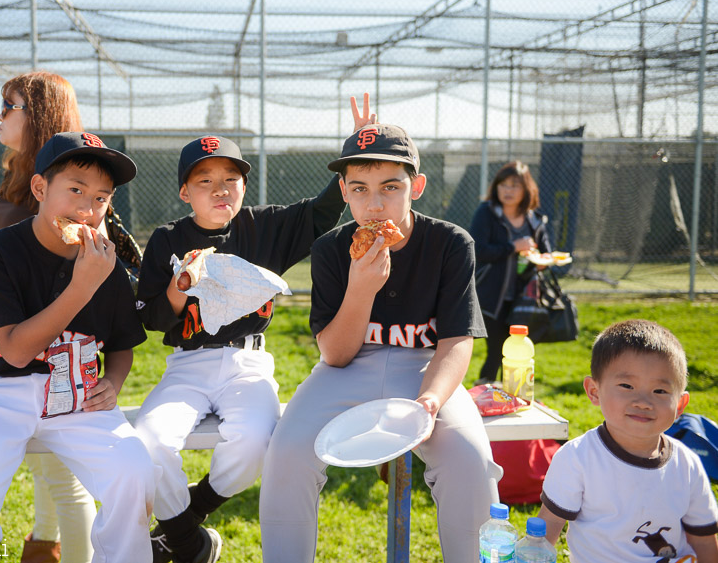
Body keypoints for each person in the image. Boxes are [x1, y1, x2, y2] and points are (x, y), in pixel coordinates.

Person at [133, 95, 366, 563]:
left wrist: (356, 153)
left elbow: (323, 211)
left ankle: (184, 525)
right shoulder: (167, 239)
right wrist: (182, 285)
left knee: (258, 443)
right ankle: (190, 543)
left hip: (247, 362)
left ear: (243, 185)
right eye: (206, 181)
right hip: (188, 365)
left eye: (231, 179)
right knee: (147, 443)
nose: (221, 190)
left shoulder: (263, 226)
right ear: (185, 192)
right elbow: (152, 319)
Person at [259, 120, 503, 563]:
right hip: (347, 368)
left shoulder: (450, 243)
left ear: (418, 185)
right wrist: (361, 288)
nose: (375, 205)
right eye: (360, 189)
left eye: (390, 187)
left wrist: (430, 403)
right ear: (344, 190)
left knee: (469, 460)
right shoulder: (331, 248)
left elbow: (456, 341)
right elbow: (335, 354)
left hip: (426, 368)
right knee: (288, 453)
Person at [0, 132, 154, 563]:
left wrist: (113, 380)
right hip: (0, 391)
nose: (87, 210)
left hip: (78, 395)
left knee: (136, 474)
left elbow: (123, 342)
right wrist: (82, 284)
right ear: (39, 188)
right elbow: (14, 352)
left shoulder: (104, 259)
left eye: (101, 199)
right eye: (75, 190)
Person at [0, 70, 97, 563]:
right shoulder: (21, 179)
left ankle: (62, 550)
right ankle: (44, 543)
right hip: (16, 351)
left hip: (52, 357)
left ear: (38, 114)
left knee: (63, 476)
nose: (0, 114)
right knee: (48, 467)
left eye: (9, 105)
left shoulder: (60, 190)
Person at [539, 319, 718, 562]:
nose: (643, 401)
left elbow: (704, 539)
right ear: (594, 391)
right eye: (627, 386)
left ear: (680, 405)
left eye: (660, 391)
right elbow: (547, 527)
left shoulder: (687, 465)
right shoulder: (577, 458)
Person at [469, 160, 551, 384]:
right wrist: (513, 247)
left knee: (519, 353)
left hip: (524, 297)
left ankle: (515, 395)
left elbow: (546, 252)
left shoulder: (534, 219)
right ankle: (484, 393)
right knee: (496, 349)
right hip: (492, 296)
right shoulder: (487, 213)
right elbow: (478, 249)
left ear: (526, 190)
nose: (508, 190)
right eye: (503, 185)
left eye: (514, 185)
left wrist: (542, 260)